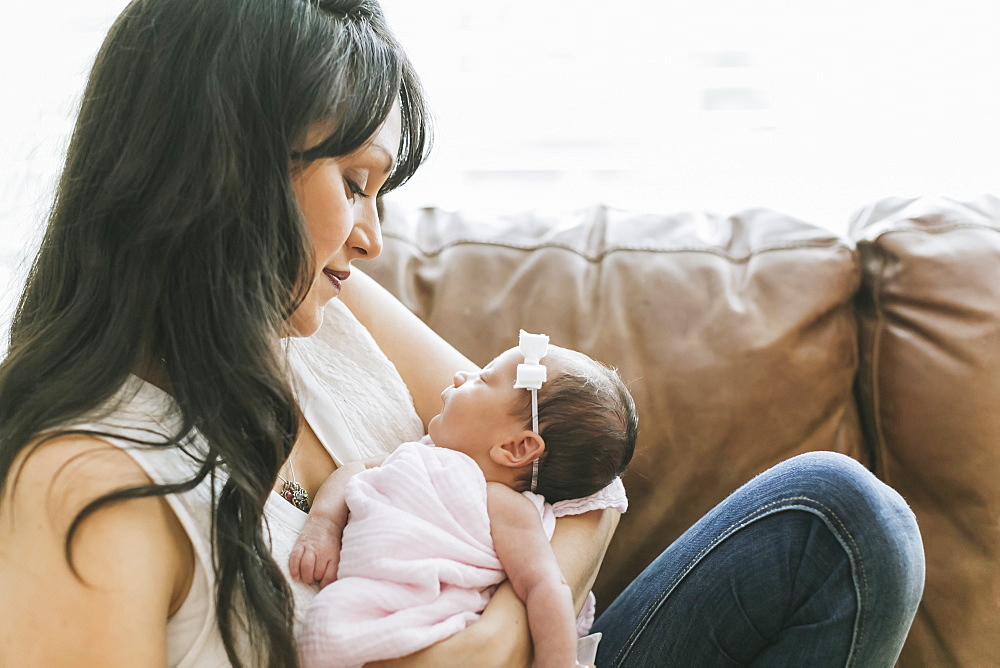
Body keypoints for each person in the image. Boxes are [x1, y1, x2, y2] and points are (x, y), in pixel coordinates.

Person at [0, 0, 924, 666]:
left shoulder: (318, 311)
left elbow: (581, 478)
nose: (370, 236)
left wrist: (488, 643)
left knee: (843, 520)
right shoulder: (92, 484)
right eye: (354, 184)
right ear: (222, 174)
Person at [290, 335, 637, 667]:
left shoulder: (504, 506)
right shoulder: (420, 453)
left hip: (437, 625)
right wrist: (323, 525)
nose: (460, 374)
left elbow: (544, 586)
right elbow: (355, 471)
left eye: (482, 379)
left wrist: (557, 663)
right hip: (354, 606)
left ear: (516, 448)